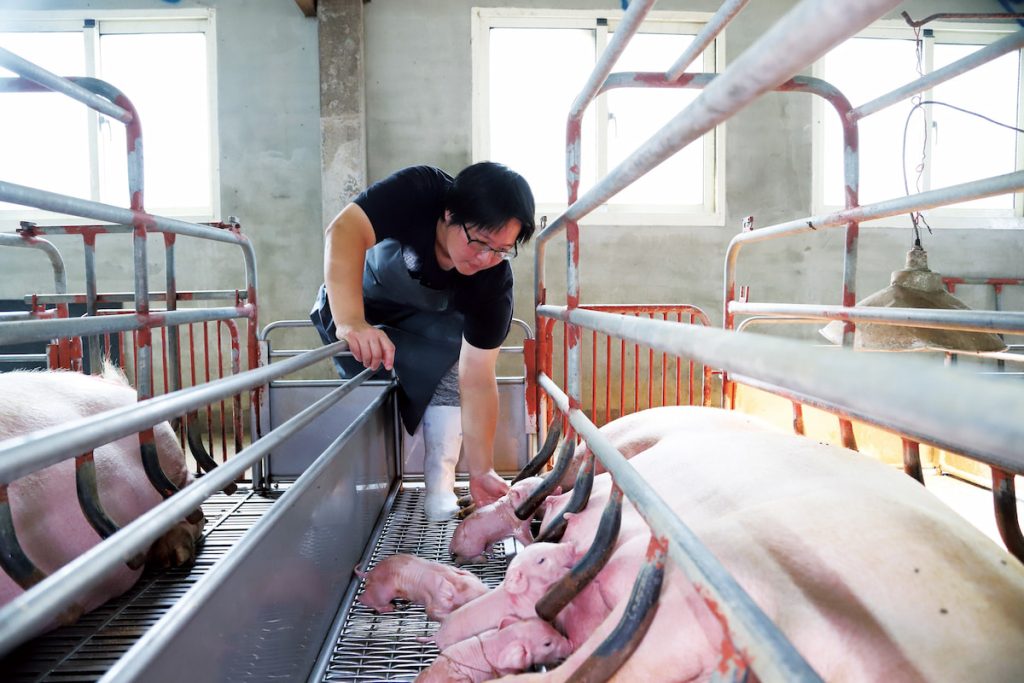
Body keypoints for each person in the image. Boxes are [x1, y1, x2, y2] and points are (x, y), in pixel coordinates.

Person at [311, 162, 536, 521]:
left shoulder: (493, 285)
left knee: (451, 370)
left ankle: (440, 485)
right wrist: (351, 320)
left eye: (501, 250)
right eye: (479, 242)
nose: (484, 259)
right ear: (449, 213)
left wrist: (482, 470)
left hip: (427, 326)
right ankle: (356, 492)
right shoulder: (419, 190)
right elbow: (344, 229)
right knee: (368, 392)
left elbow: (477, 378)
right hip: (362, 305)